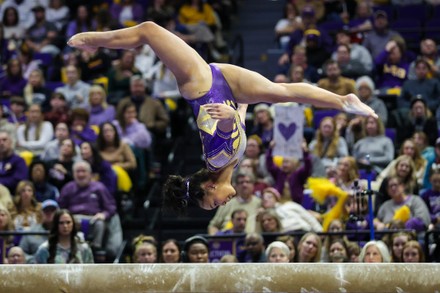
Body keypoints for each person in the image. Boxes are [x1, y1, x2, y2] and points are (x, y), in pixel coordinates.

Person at [67, 20, 377, 214]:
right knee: (280, 92)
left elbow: (225, 131)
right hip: (228, 89)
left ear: (209, 188)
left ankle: (93, 39)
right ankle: (343, 100)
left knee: (149, 31)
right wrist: (239, 109)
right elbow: (236, 127)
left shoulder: (217, 160)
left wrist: (229, 116)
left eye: (213, 203)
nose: (221, 204)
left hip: (200, 85)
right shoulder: (231, 163)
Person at [19, 199, 59, 263]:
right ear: (41, 213)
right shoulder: (31, 232)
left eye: (52, 210)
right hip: (35, 268)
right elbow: (21, 252)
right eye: (46, 211)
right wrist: (34, 261)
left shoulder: (64, 231)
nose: (49, 213)